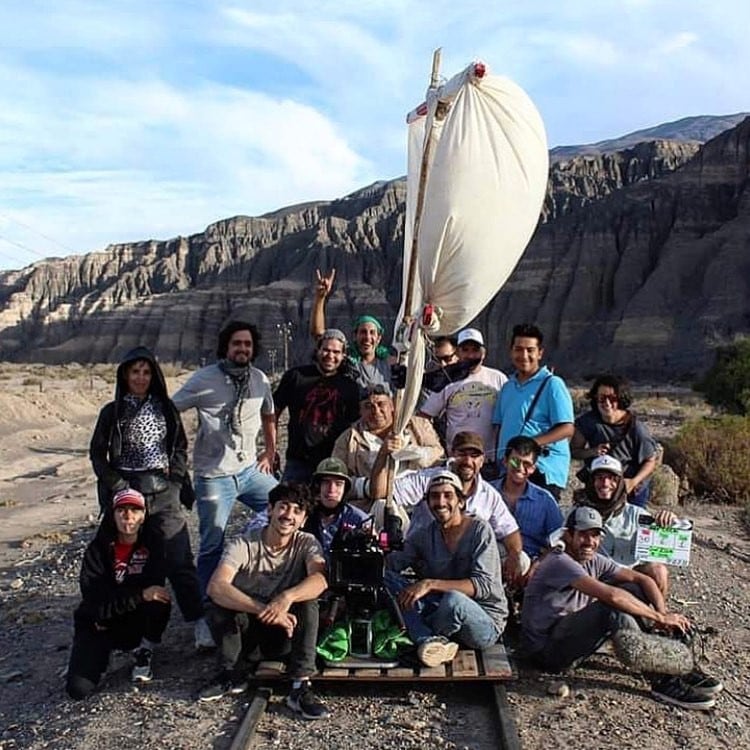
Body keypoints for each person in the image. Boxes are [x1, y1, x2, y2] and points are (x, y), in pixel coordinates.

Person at [521, 506, 722, 710]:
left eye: (595, 535)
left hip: (569, 637)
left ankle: (675, 664)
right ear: (569, 534)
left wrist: (663, 613)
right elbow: (612, 595)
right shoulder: (559, 561)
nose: (590, 542)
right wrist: (659, 619)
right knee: (610, 608)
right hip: (547, 651)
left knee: (634, 588)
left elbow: (643, 579)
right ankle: (662, 680)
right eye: (583, 535)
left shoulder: (593, 559)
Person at [89, 346, 203, 635]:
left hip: (163, 492)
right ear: (125, 374)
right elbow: (97, 454)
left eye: (146, 372)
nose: (140, 377)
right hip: (126, 494)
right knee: (125, 561)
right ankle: (121, 624)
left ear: (154, 375)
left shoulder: (166, 408)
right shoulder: (111, 412)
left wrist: (176, 482)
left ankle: (198, 620)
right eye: (135, 371)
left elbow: (179, 447)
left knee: (178, 558)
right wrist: (116, 485)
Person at [172, 321, 278, 621]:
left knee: (288, 510)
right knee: (211, 544)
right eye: (237, 344)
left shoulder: (260, 379)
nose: (242, 349)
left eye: (247, 344)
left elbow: (269, 415)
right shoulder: (204, 379)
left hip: (250, 471)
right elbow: (171, 409)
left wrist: (269, 453)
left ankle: (267, 583)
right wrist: (175, 451)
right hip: (214, 476)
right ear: (226, 347)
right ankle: (209, 613)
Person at [199, 483, 329, 720]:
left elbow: (320, 580)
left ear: (303, 519)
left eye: (296, 510)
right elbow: (216, 586)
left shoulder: (307, 543)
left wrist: (285, 598)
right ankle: (230, 673)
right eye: (283, 507)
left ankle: (300, 686)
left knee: (309, 603)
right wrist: (263, 608)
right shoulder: (244, 543)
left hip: (284, 634)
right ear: (270, 509)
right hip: (248, 633)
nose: (288, 515)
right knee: (217, 605)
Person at [370, 431, 526, 585]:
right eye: (462, 454)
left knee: (521, 559)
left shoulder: (489, 494)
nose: (467, 461)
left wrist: (514, 556)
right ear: (451, 454)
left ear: (482, 460)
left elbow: (509, 530)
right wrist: (383, 453)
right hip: (426, 554)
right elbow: (380, 492)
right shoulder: (427, 478)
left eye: (474, 456)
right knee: (381, 505)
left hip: (468, 562)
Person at [385, 471, 507, 666]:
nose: (440, 502)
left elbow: (483, 586)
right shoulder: (424, 535)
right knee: (386, 579)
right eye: (434, 496)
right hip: (439, 611)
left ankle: (423, 637)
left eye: (447, 495)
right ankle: (429, 641)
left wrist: (429, 584)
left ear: (460, 501)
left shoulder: (480, 530)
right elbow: (392, 564)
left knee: (454, 600)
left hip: (483, 620)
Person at [66, 489, 172, 699]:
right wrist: (138, 595)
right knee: (78, 690)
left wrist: (136, 595)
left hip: (134, 618)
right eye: (122, 510)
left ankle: (144, 649)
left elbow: (153, 588)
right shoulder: (97, 550)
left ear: (143, 516)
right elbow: (93, 598)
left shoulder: (154, 545)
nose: (128, 516)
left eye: (135, 510)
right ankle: (100, 657)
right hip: (99, 622)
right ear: (112, 515)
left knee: (160, 599)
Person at [492, 323, 574, 500]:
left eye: (530, 350)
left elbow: (567, 428)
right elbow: (498, 427)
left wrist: (531, 444)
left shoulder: (552, 384)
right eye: (518, 349)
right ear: (511, 351)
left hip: (541, 469)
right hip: (510, 469)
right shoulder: (507, 387)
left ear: (540, 353)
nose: (524, 356)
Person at [578, 455, 675, 595]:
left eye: (611, 478)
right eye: (600, 478)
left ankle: (657, 614)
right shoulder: (579, 513)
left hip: (630, 575)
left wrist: (669, 521)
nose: (605, 483)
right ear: (592, 482)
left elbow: (662, 543)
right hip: (593, 574)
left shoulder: (636, 514)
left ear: (620, 483)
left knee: (659, 571)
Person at [273, 328, 360, 483]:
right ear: (318, 350)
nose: (330, 356)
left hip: (333, 462)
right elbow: (273, 413)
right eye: (326, 350)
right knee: (290, 504)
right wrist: (271, 448)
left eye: (336, 352)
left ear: (343, 355)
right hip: (298, 461)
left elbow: (355, 426)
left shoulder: (350, 387)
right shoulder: (296, 377)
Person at [332, 382, 444, 502]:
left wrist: (415, 453)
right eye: (368, 406)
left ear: (392, 405)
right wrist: (366, 487)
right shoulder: (347, 439)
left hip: (421, 499)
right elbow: (336, 479)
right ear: (360, 411)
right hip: (373, 505)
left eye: (381, 404)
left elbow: (439, 455)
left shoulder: (418, 424)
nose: (376, 411)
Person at [419, 328, 507, 467]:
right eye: (465, 350)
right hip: (457, 459)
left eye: (475, 350)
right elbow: (424, 415)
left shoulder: (498, 378)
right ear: (458, 352)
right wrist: (434, 446)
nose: (470, 355)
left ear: (483, 353)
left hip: (489, 460)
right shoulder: (447, 379)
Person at [572, 374, 659, 507]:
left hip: (629, 489)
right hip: (600, 487)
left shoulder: (636, 428)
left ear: (621, 399)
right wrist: (592, 452)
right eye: (601, 398)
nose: (606, 403)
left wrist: (633, 482)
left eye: (612, 398)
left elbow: (651, 460)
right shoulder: (587, 422)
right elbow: (574, 451)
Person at [310, 268, 392, 388]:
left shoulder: (388, 364)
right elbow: (319, 334)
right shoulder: (346, 362)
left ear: (379, 338)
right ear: (355, 336)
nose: (367, 337)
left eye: (372, 333)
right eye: (363, 332)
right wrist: (320, 297)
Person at [492, 436, 563, 560]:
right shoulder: (487, 492)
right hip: (491, 557)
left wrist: (537, 566)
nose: (519, 468)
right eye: (515, 461)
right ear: (505, 461)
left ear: (533, 469)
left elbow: (559, 540)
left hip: (531, 561)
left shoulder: (545, 500)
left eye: (526, 464)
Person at [303, 457, 369, 563]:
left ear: (345, 490)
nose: (331, 490)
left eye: (338, 484)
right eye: (326, 483)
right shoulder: (302, 516)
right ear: (317, 487)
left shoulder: (359, 520)